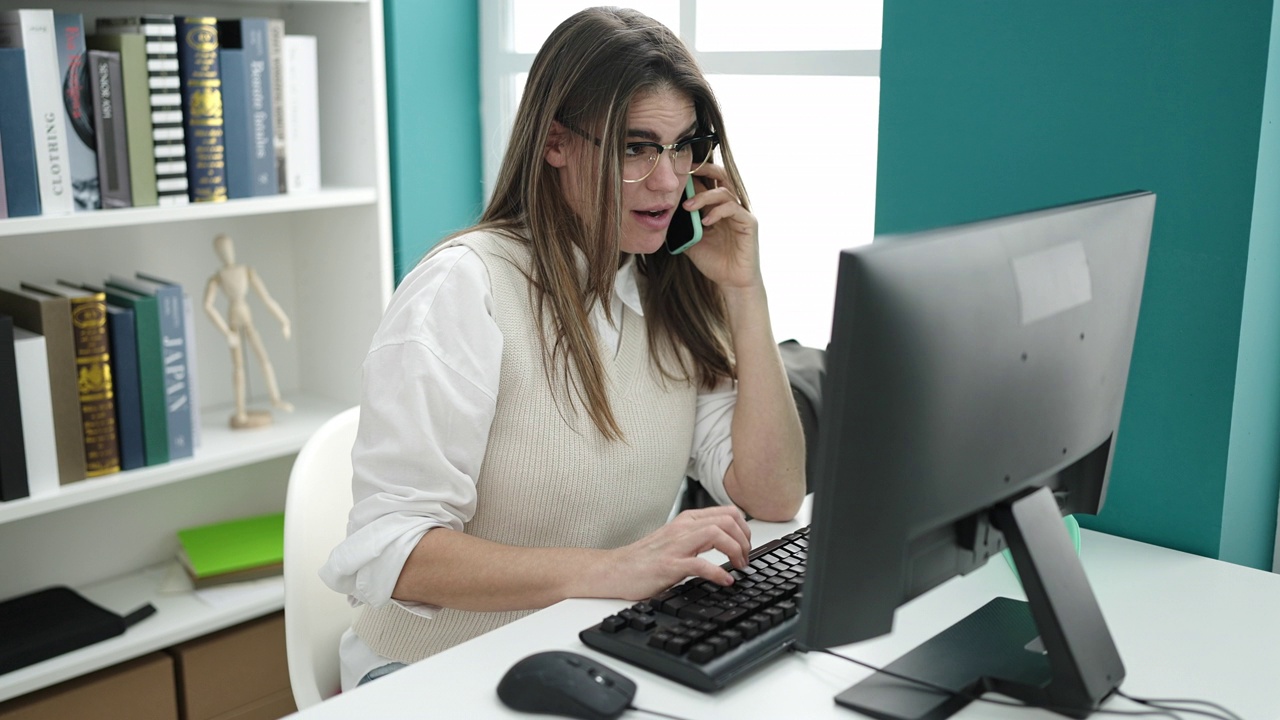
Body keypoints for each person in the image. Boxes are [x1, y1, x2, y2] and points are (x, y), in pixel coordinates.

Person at [319, 6, 806, 690]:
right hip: (430, 672)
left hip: (588, 652)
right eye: (635, 148)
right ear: (556, 143)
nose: (667, 182)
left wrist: (744, 293)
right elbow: (393, 552)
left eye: (682, 146)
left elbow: (774, 495)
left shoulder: (668, 291)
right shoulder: (466, 288)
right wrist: (614, 570)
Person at [202, 232, 294, 428]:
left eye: (228, 247)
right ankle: (240, 410)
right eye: (222, 249)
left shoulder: (246, 271)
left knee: (264, 358)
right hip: (233, 323)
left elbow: (267, 298)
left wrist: (284, 320)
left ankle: (275, 398)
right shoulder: (217, 278)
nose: (226, 253)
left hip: (247, 319)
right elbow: (207, 306)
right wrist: (226, 332)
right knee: (239, 368)